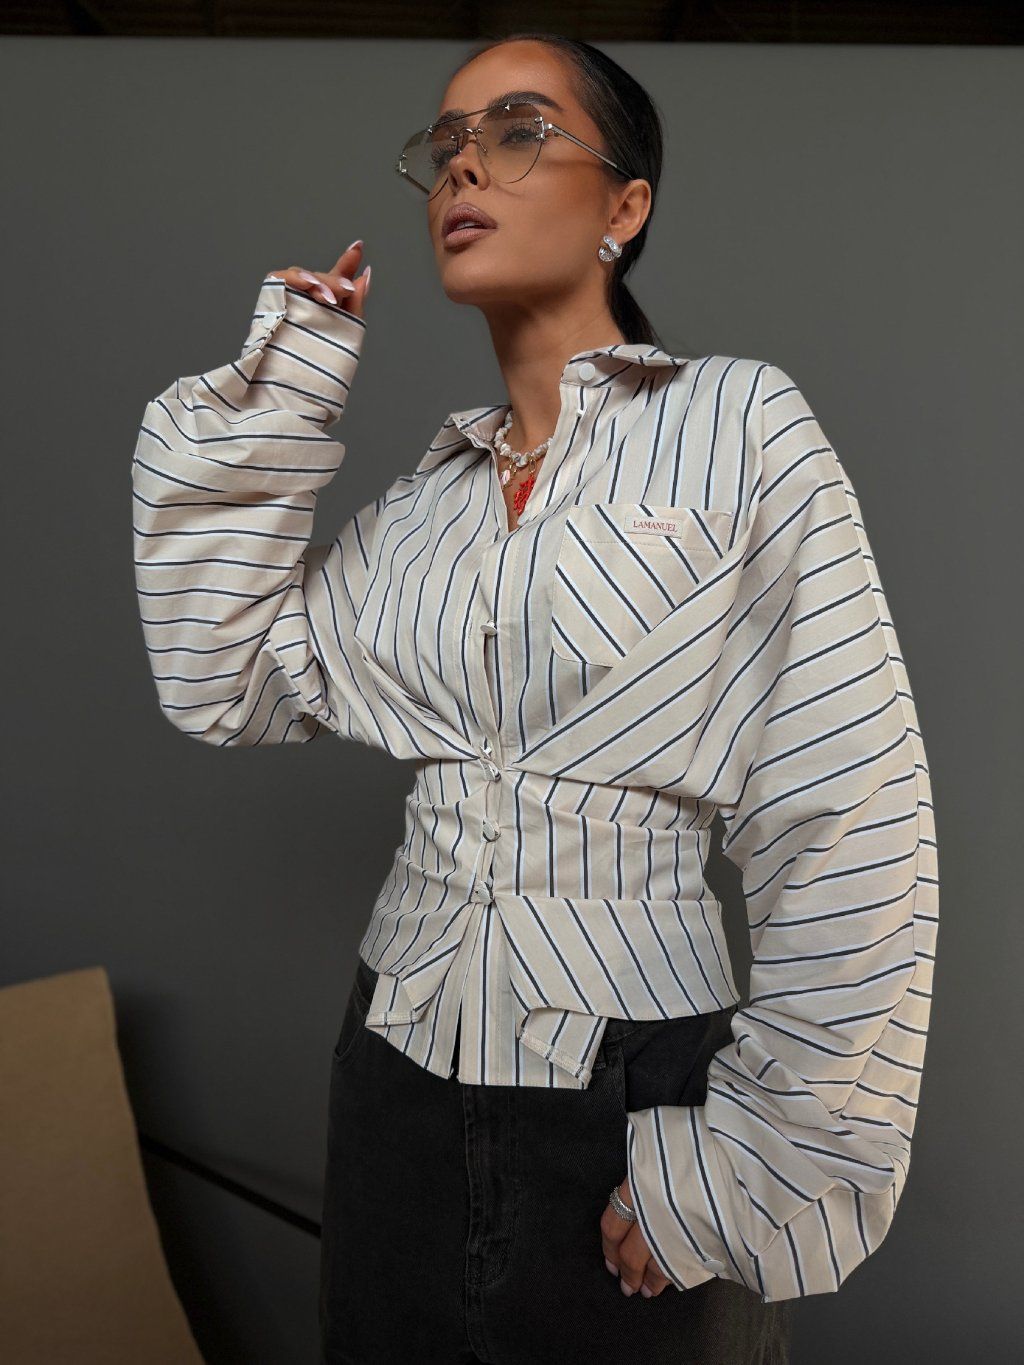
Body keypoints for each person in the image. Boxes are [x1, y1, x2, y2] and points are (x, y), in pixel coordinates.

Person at [131, 30, 938, 1365]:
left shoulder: (740, 424)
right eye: (446, 143)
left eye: (515, 131)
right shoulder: (422, 507)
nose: (462, 166)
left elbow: (854, 811)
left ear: (626, 205)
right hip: (391, 1078)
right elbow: (229, 679)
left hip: (641, 1087)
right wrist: (285, 387)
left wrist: (755, 1159)